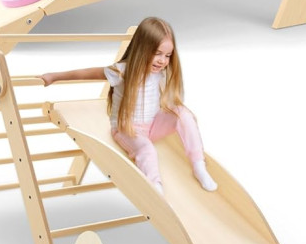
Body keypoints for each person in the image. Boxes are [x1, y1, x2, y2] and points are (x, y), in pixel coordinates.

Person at [42, 17, 218, 194]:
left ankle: (198, 165)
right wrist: (54, 76)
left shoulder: (159, 71)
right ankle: (155, 185)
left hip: (152, 126)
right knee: (147, 149)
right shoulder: (122, 70)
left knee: (183, 113)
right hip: (126, 129)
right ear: (142, 49)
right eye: (157, 53)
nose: (162, 61)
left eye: (167, 55)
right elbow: (86, 73)